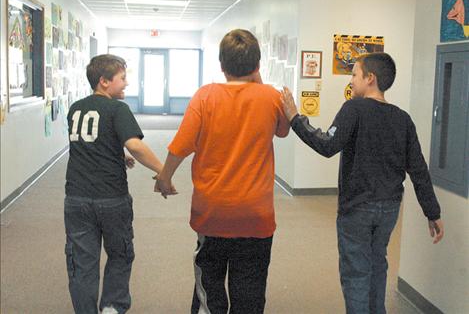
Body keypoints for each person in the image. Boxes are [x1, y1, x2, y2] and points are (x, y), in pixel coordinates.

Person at [280, 52, 444, 314]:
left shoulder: (353, 109)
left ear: (370, 78)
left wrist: (295, 118)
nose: (351, 80)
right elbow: (418, 169)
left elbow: (327, 145)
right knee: (378, 265)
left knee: (356, 272)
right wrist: (432, 212)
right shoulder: (402, 118)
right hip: (389, 209)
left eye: (354, 74)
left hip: (357, 209)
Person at [155, 29, 290, 313]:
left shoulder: (205, 96)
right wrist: (260, 81)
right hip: (256, 216)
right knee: (250, 292)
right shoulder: (272, 98)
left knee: (210, 287)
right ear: (257, 65)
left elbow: (181, 146)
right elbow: (283, 131)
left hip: (212, 213)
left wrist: (165, 177)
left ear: (221, 64)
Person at [64, 54, 174, 314]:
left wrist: (117, 154)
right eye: (122, 79)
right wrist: (164, 171)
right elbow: (135, 145)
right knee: (120, 254)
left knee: (82, 262)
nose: (126, 84)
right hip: (111, 199)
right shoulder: (117, 109)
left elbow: (88, 142)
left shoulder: (75, 108)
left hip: (76, 199)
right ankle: (112, 307)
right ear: (104, 81)